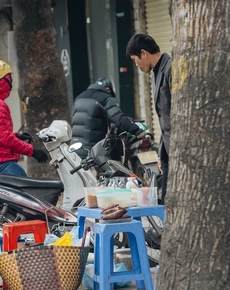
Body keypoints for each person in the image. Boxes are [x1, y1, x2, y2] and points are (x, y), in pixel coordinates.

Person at [0, 59, 49, 176]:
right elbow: (5, 139)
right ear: (3, 80)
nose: (11, 82)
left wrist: (18, 136)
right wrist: (32, 151)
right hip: (0, 161)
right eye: (10, 79)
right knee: (25, 187)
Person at [126, 33, 171, 203]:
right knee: (166, 199)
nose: (136, 65)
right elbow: (162, 119)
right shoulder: (155, 75)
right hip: (166, 148)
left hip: (178, 149)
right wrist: (161, 153)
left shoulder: (170, 68)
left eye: (135, 60)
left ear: (144, 53)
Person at [71, 78, 148, 158]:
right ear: (108, 89)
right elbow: (118, 118)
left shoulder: (78, 98)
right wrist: (137, 130)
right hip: (94, 149)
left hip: (76, 148)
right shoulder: (105, 98)